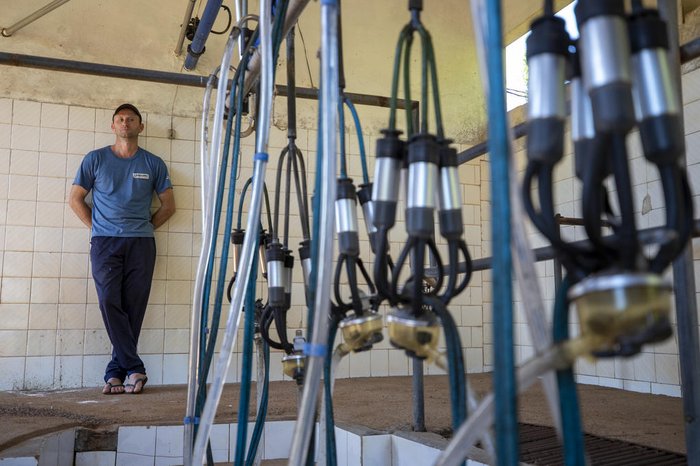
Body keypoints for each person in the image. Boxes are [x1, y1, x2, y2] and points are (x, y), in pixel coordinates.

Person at [69, 103, 176, 395]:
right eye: (120, 119)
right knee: (108, 301)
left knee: (134, 308)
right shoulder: (96, 159)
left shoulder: (153, 163)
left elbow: (169, 206)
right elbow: (76, 199)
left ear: (140, 127)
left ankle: (115, 372)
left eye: (131, 119)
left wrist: (146, 228)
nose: (125, 123)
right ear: (112, 125)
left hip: (141, 242)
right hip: (105, 242)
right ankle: (134, 368)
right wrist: (97, 227)